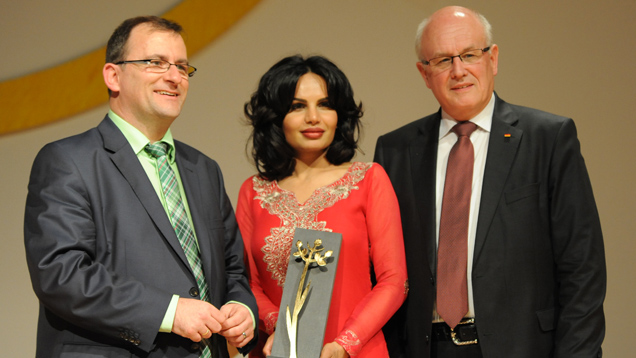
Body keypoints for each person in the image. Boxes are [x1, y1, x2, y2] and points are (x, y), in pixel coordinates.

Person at [374, 6, 606, 358]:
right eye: (442, 60)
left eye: (469, 55)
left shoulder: (548, 139)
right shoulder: (394, 151)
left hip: (523, 347)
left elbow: (582, 268)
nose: (458, 71)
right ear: (424, 73)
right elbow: (381, 272)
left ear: (493, 58)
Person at [24, 16, 257, 358]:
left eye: (181, 66)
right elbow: (61, 275)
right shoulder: (67, 160)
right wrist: (168, 311)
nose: (173, 76)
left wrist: (241, 307)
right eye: (155, 63)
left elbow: (233, 267)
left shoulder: (203, 169)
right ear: (113, 75)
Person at [236, 55, 408, 358]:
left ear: (340, 115)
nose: (313, 117)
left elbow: (394, 281)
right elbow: (246, 282)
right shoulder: (254, 191)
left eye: (325, 105)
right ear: (275, 117)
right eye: (297, 106)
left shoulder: (368, 179)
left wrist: (347, 344)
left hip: (357, 352)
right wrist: (280, 328)